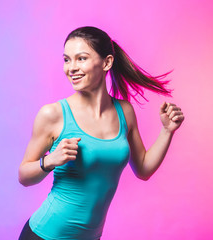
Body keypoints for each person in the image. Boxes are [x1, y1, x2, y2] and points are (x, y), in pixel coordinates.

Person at [18, 26, 184, 240]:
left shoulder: (124, 111)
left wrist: (167, 131)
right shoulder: (53, 114)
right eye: (67, 60)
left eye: (81, 58)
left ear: (106, 62)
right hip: (44, 235)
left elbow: (143, 169)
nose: (71, 68)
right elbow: (23, 176)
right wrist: (49, 161)